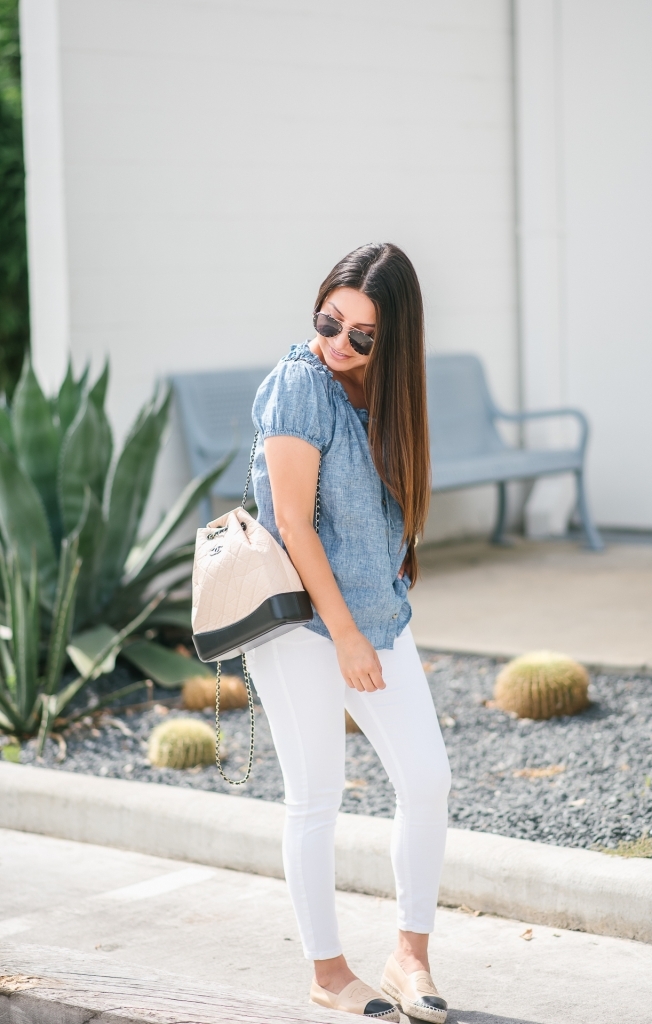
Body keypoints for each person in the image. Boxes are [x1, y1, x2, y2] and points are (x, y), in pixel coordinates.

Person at [247, 243, 452, 1022]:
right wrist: (346, 636)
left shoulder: (387, 393)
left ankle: (409, 956)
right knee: (316, 797)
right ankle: (328, 973)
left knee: (427, 780)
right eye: (329, 321)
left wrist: (386, 591)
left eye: (362, 335)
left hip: (378, 619)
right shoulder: (300, 383)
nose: (338, 342)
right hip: (304, 626)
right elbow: (294, 523)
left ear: (392, 339)